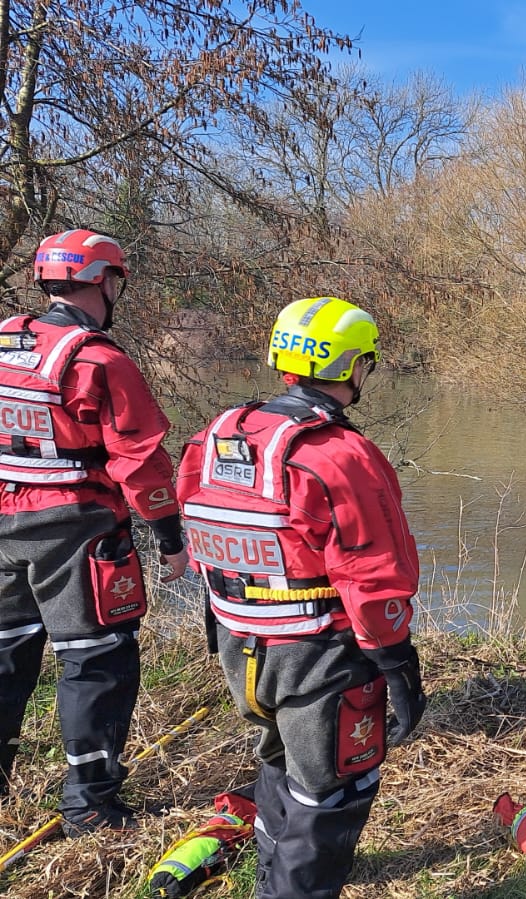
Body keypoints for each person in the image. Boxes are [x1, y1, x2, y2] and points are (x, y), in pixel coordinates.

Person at [175, 296, 424, 899]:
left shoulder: (217, 435)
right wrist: (398, 664)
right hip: (320, 653)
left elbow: (199, 528)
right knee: (334, 790)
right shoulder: (338, 455)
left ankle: (271, 876)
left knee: (280, 765)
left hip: (239, 645)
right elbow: (375, 573)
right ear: (353, 366)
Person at [0, 229, 189, 831]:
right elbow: (139, 460)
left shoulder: (3, 343)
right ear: (105, 282)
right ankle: (90, 804)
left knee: (4, 655)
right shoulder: (98, 359)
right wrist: (169, 536)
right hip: (76, 531)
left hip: (2, 522)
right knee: (97, 662)